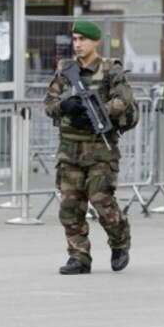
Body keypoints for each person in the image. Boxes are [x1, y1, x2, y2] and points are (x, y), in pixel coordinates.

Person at [44, 20, 138, 275]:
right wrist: (65, 106)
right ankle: (79, 256)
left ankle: (120, 241)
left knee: (102, 200)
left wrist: (99, 111)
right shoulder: (66, 69)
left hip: (100, 149)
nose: (78, 44)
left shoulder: (110, 69)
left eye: (83, 39)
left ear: (96, 42)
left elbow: (124, 99)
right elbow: (49, 102)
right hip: (70, 149)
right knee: (70, 206)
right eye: (75, 39)